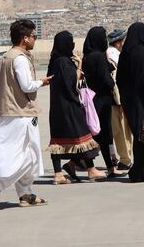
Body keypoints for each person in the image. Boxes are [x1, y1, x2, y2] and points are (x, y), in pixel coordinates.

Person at [0, 19, 51, 209]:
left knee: (22, 153)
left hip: (7, 112)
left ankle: (26, 194)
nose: (35, 40)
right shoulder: (20, 59)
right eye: (34, 36)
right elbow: (27, 85)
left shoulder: (4, 57)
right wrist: (42, 82)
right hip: (21, 114)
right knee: (28, 156)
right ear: (24, 38)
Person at [46, 31, 105, 184]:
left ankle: (65, 169)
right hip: (69, 107)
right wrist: (79, 66)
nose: (72, 44)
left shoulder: (54, 61)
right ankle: (89, 170)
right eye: (70, 41)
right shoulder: (64, 62)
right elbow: (71, 82)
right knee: (82, 135)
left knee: (62, 140)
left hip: (58, 108)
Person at [116, 22, 144, 182]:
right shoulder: (143, 53)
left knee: (139, 135)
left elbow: (119, 80)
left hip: (130, 102)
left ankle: (139, 171)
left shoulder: (125, 53)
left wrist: (125, 97)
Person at [82, 26, 124, 177]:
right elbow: (105, 78)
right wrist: (113, 85)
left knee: (97, 134)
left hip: (92, 99)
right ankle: (108, 166)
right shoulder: (99, 56)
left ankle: (106, 166)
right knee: (105, 134)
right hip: (103, 99)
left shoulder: (87, 56)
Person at [106, 28, 133, 171]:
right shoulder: (113, 55)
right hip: (117, 100)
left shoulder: (113, 53)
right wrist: (121, 101)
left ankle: (125, 158)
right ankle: (125, 159)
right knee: (121, 131)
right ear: (118, 42)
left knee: (121, 131)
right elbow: (115, 80)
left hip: (116, 100)